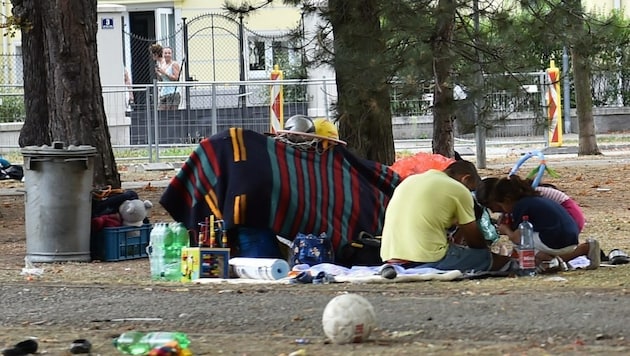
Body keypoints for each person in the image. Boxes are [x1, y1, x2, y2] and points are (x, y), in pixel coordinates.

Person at [380, 160, 513, 273]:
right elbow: (475, 242)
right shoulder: (459, 190)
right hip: (428, 259)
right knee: (491, 259)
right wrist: (489, 253)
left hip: (391, 257)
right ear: (466, 179)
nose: (471, 196)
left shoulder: (411, 180)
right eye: (471, 189)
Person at [480, 175, 599, 270]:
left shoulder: (521, 206)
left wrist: (505, 229)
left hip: (557, 240)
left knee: (521, 241)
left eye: (501, 206)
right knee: (530, 238)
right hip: (571, 239)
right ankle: (555, 260)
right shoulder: (535, 199)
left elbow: (517, 238)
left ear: (507, 199)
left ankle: (548, 262)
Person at [476, 177, 585, 232]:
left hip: (570, 218)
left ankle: (580, 251)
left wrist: (508, 231)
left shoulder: (526, 198)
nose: (493, 211)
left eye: (491, 206)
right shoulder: (521, 196)